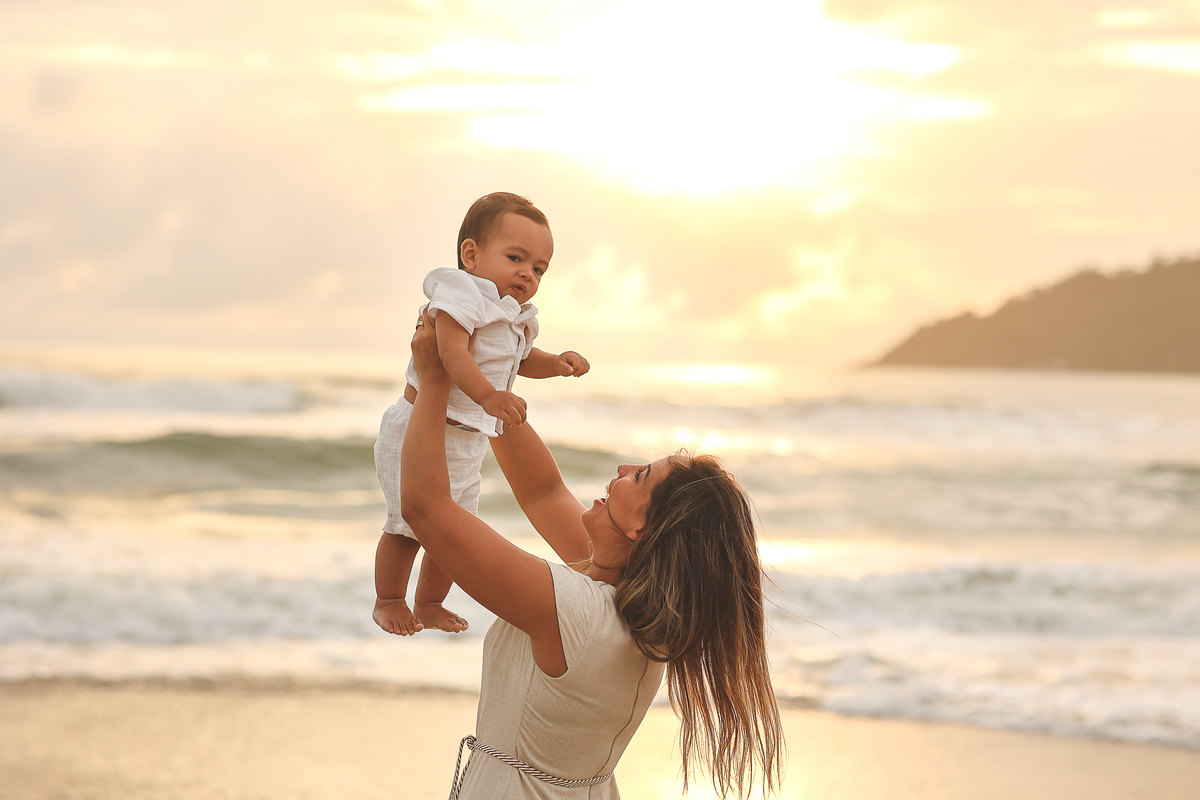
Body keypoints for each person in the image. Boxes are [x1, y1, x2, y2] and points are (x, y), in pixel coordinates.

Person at [401, 310, 784, 799]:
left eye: (640, 476)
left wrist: (435, 380)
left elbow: (426, 508)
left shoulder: (577, 613)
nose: (622, 468)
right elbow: (542, 492)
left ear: (643, 527)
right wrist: (484, 373)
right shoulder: (633, 608)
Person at [373, 193, 590, 636]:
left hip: (467, 438)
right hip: (418, 428)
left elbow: (522, 360)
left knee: (458, 529)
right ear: (471, 255)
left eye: (539, 269)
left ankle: (430, 603)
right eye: (516, 258)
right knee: (406, 526)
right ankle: (389, 598)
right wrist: (489, 397)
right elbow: (451, 352)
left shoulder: (516, 316)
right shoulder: (462, 293)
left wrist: (556, 363)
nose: (527, 274)